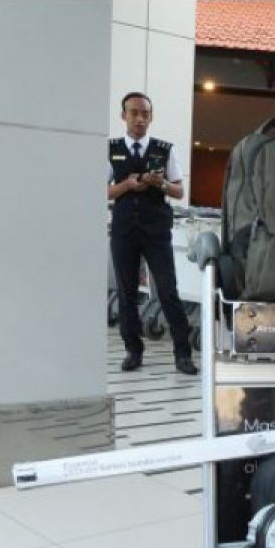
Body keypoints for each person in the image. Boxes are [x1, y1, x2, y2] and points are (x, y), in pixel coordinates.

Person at [107, 92, 197, 375]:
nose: (139, 119)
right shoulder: (111, 149)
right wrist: (126, 186)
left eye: (145, 114)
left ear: (151, 117)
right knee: (127, 293)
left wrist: (160, 185)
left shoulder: (164, 149)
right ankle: (133, 350)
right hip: (124, 231)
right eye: (134, 113)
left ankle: (183, 355)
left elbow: (179, 191)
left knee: (168, 291)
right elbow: (103, 189)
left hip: (156, 231)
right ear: (124, 116)